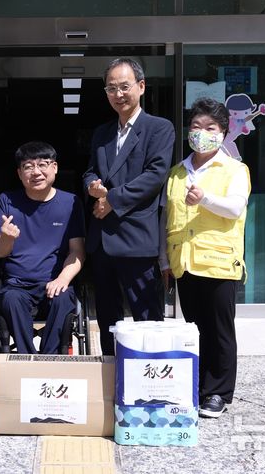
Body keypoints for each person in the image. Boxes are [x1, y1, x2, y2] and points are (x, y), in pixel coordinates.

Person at [159, 97, 251, 419]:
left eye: (210, 127)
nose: (202, 133)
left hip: (220, 264)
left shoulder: (234, 170)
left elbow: (235, 208)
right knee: (194, 329)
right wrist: (165, 262)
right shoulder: (176, 173)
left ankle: (219, 393)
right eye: (196, 126)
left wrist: (206, 198)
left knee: (219, 331)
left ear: (223, 132)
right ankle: (199, 386)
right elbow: (169, 220)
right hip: (184, 264)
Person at [83, 57, 174, 356]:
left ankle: (150, 381)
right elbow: (90, 170)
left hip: (137, 240)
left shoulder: (159, 129)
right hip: (103, 242)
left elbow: (155, 176)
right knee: (107, 320)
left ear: (142, 86)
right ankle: (111, 378)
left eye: (124, 86)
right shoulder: (101, 133)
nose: (118, 94)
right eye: (111, 88)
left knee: (147, 320)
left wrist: (111, 200)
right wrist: (92, 185)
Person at [0, 141, 86, 354]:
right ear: (19, 172)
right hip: (17, 285)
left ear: (55, 168)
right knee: (10, 299)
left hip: (54, 282)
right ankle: (26, 359)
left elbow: (77, 251)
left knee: (63, 299)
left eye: (43, 164)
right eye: (28, 166)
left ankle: (49, 360)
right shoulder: (7, 201)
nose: (36, 172)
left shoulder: (70, 203)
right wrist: (7, 237)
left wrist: (62, 279)